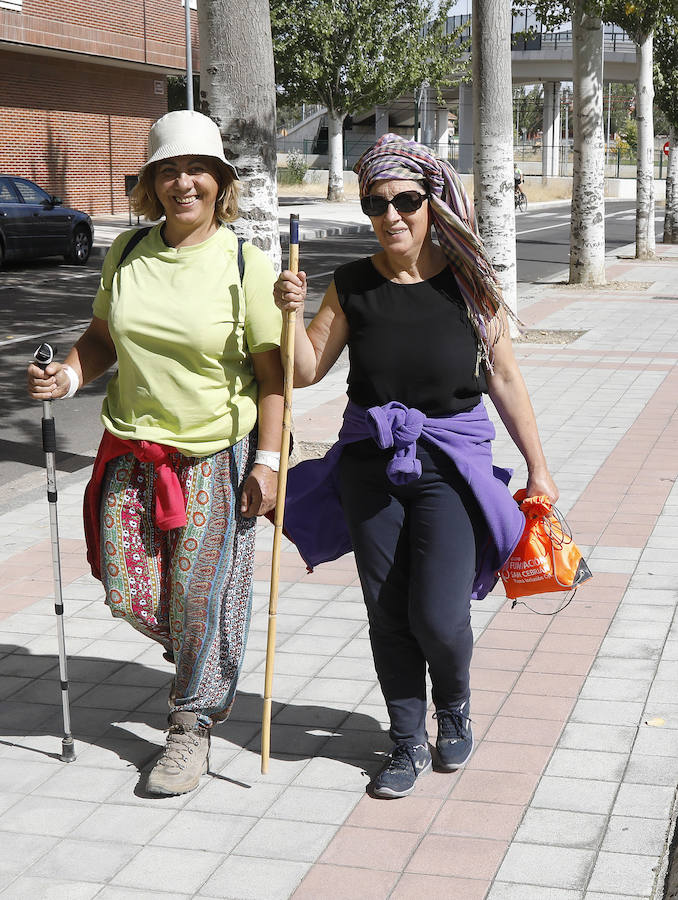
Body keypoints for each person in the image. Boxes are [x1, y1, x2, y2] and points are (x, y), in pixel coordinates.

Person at [274, 134, 557, 800]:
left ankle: (452, 706)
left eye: (405, 200)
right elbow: (306, 370)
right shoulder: (352, 285)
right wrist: (287, 314)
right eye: (377, 204)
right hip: (369, 466)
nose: (392, 215)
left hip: (452, 466)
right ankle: (404, 742)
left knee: (437, 613)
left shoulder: (470, 285)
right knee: (388, 612)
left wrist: (538, 468)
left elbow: (506, 379)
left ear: (431, 202)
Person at [27, 110, 284, 796]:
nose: (182, 182)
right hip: (133, 452)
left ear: (220, 182)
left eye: (197, 168)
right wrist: (70, 375)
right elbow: (102, 338)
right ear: (150, 183)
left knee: (200, 595)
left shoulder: (242, 263)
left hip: (213, 457)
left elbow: (272, 376)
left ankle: (190, 725)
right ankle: (202, 649)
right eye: (167, 169)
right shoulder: (128, 252)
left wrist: (268, 462)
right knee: (129, 586)